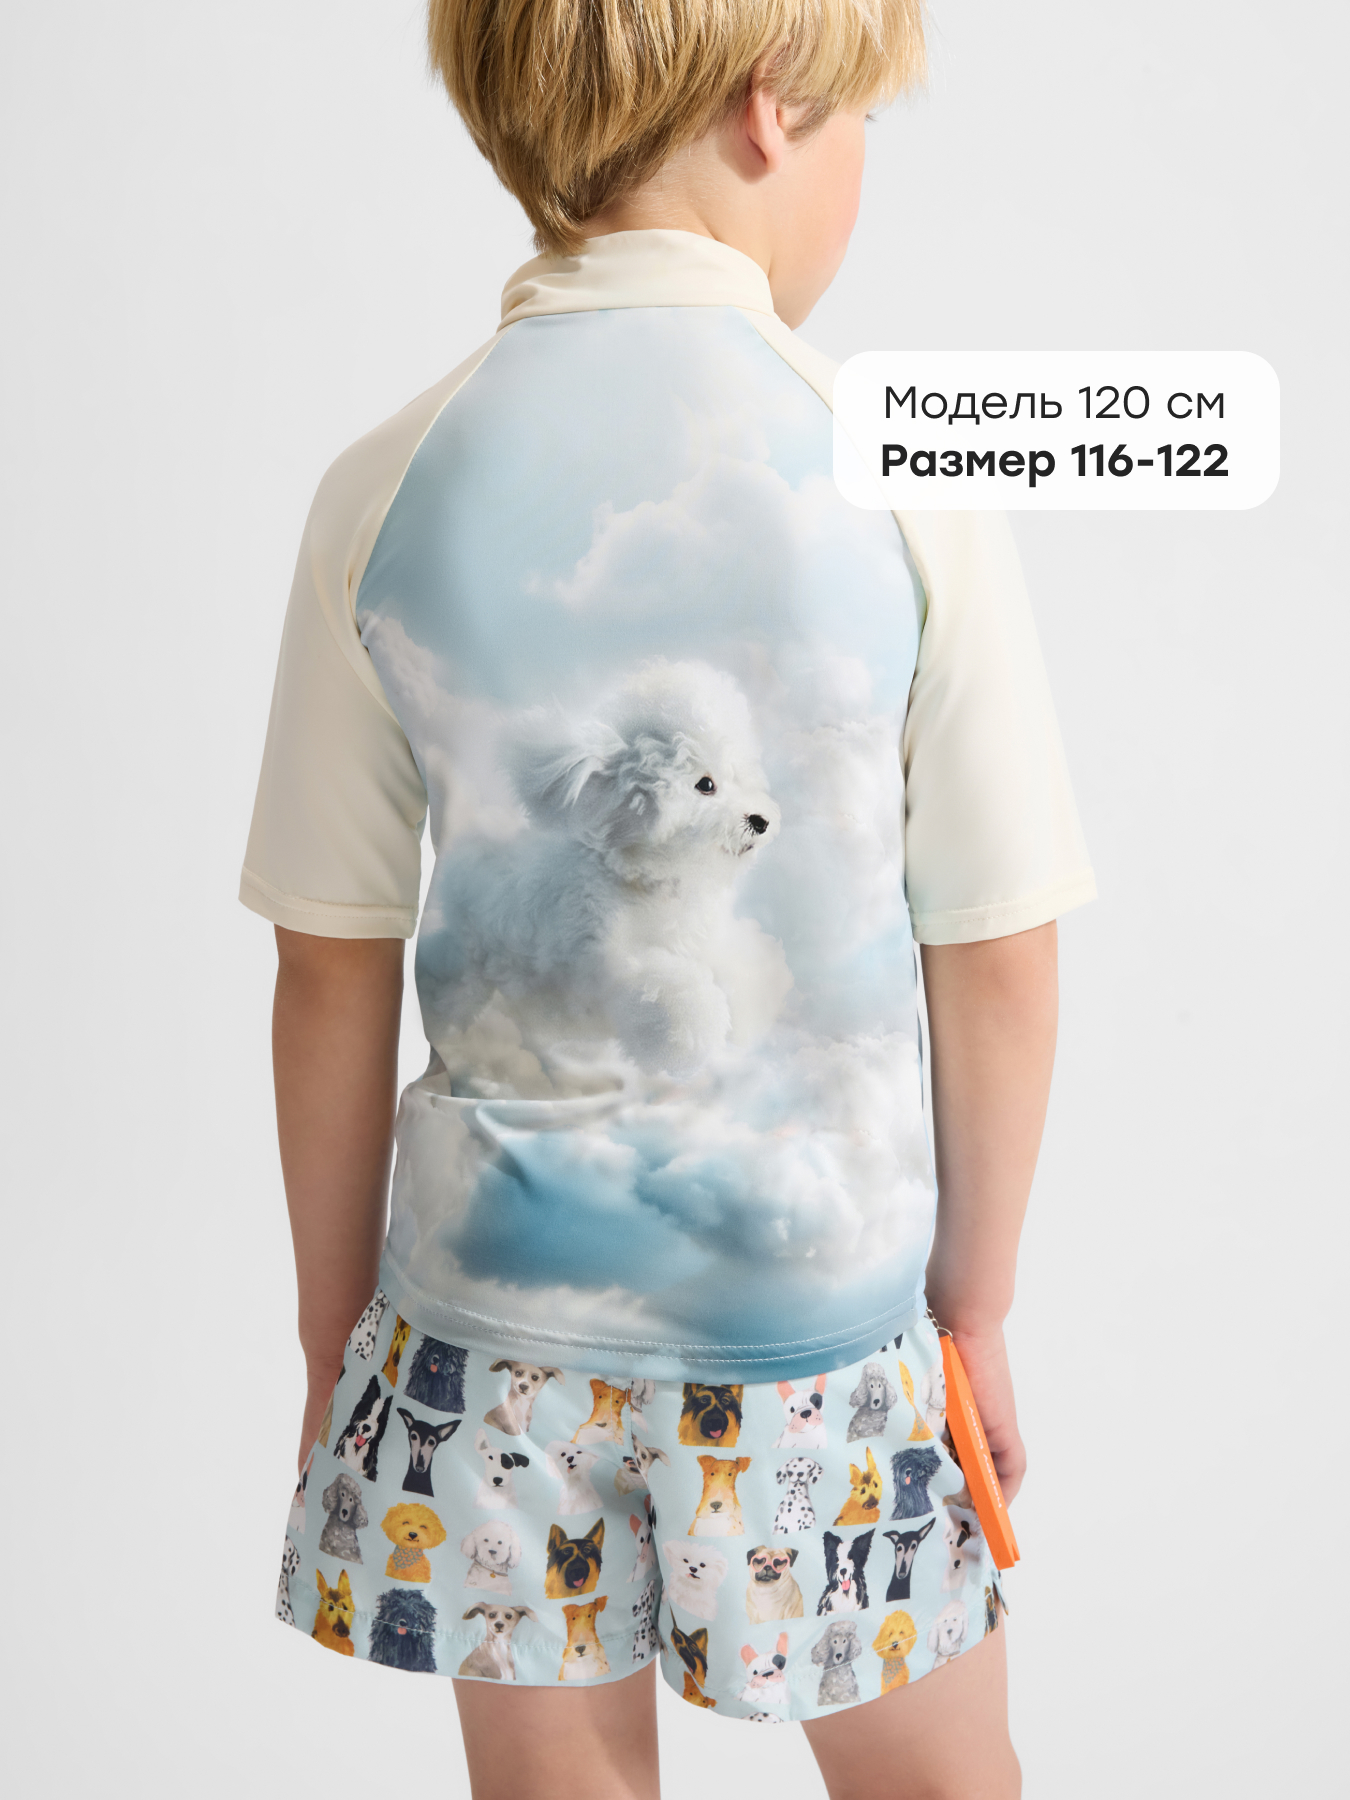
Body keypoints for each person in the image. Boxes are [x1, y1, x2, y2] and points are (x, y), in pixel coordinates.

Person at [243, 2, 1094, 1793]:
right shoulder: (899, 480)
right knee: (942, 1785)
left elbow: (329, 965)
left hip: (484, 1333)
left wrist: (339, 1337)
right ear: (769, 106)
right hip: (818, 1331)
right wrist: (971, 1311)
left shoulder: (379, 485)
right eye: (860, 121)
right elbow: (998, 950)